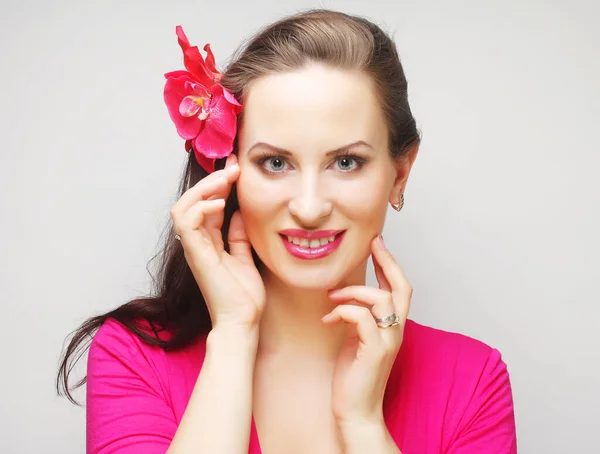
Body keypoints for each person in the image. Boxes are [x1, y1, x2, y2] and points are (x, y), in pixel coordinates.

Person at [56, 8, 517, 454]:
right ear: (227, 170)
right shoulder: (133, 358)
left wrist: (363, 426)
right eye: (275, 163)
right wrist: (234, 335)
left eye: (346, 162)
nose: (310, 207)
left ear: (399, 172)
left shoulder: (473, 381)